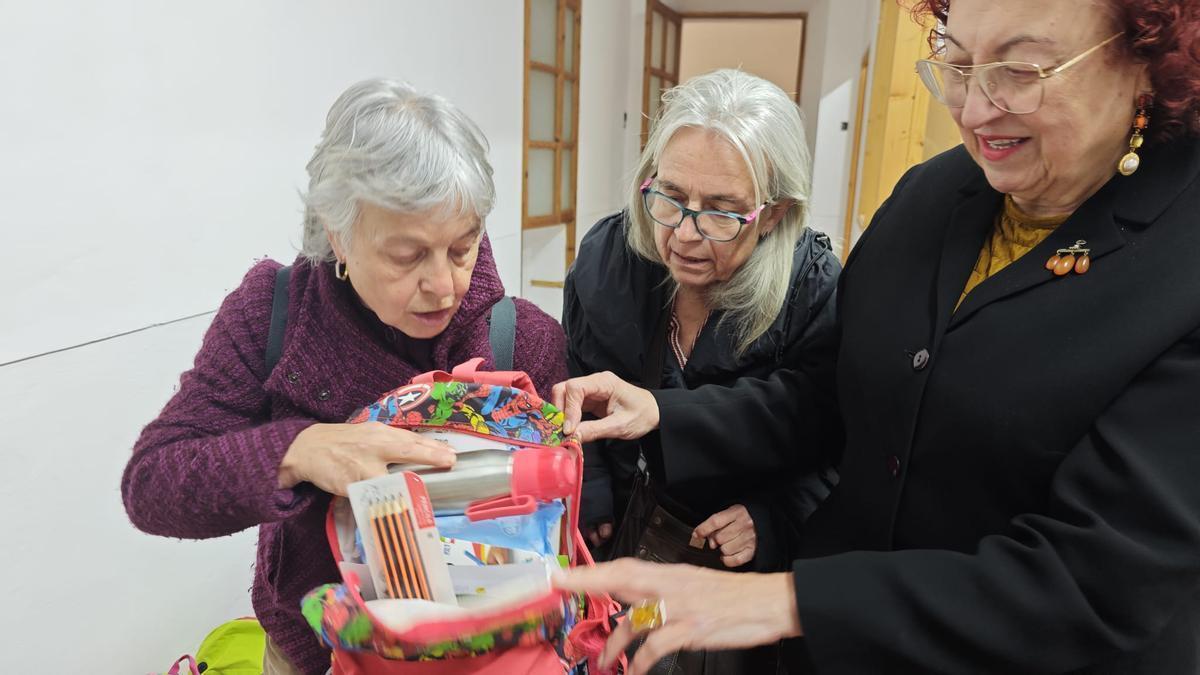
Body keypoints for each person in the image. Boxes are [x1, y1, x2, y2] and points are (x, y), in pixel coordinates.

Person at [553, 1, 1200, 673]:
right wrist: (664, 412)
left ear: (1144, 59)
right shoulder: (931, 195)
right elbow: (830, 399)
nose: (975, 110)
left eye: (1021, 69)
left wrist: (788, 597)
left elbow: (1096, 578)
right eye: (957, 62)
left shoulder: (1182, 258)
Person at [122, 79, 567, 675]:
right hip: (311, 651)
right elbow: (152, 483)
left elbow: (567, 522)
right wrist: (297, 451)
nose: (443, 285)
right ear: (337, 233)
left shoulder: (522, 337)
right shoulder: (274, 312)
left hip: (486, 659)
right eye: (407, 256)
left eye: (462, 248)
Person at [560, 69, 840, 673]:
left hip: (730, 580)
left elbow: (829, 434)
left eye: (721, 212)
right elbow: (582, 376)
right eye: (670, 197)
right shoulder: (610, 259)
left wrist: (773, 520)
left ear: (773, 213)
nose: (684, 235)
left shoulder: (811, 290)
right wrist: (595, 489)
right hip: (625, 536)